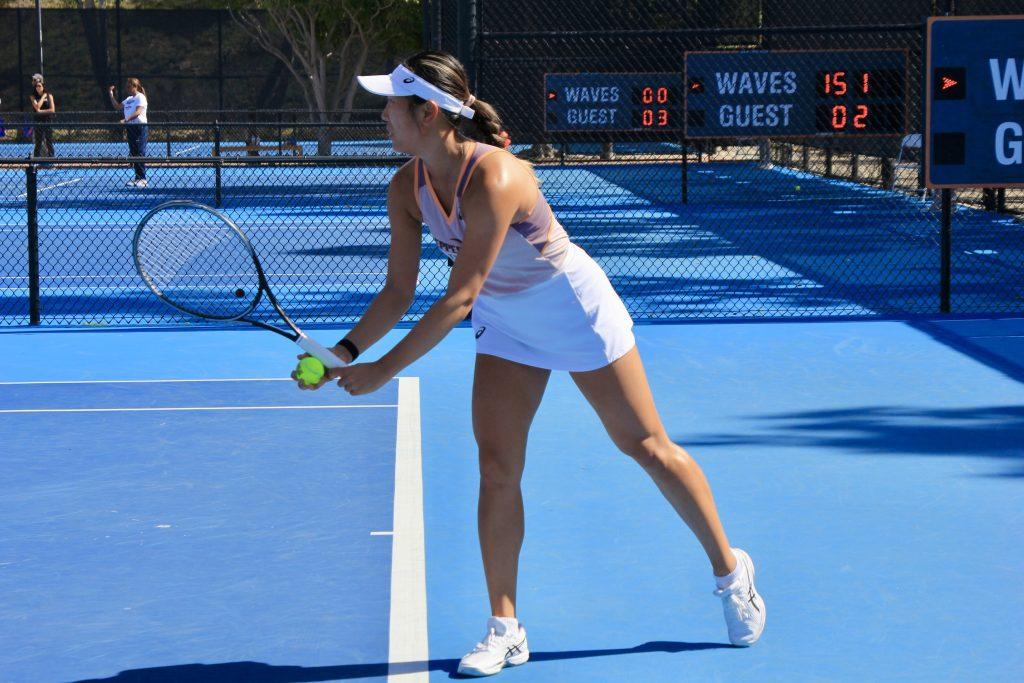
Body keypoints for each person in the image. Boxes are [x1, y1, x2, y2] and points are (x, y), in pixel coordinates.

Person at [294, 51, 766, 677]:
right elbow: (399, 292)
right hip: (509, 324)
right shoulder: (405, 187)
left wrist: (383, 372)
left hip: (572, 309)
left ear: (428, 112)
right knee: (496, 466)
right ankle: (505, 627)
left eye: (390, 105)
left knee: (647, 446)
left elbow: (459, 296)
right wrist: (345, 353)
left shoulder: (498, 177)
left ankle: (731, 573)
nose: (382, 115)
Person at [108, 78, 149, 187]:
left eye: (129, 86)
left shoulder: (141, 97)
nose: (127, 88)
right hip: (131, 128)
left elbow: (138, 112)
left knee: (140, 151)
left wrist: (126, 120)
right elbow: (117, 107)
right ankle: (137, 178)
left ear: (135, 86)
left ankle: (143, 179)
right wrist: (111, 95)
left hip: (139, 127)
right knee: (134, 152)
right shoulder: (129, 99)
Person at [29, 74, 56, 158]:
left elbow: (52, 110)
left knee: (49, 141)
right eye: (36, 86)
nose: (38, 87)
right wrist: (43, 97)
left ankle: (51, 159)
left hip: (48, 121)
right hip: (38, 121)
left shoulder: (49, 95)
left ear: (43, 86)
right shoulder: (32, 96)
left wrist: (40, 111)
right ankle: (36, 160)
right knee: (38, 142)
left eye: (40, 86)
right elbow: (37, 107)